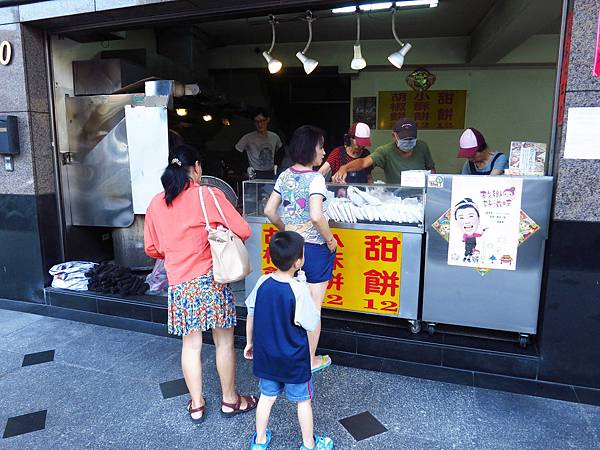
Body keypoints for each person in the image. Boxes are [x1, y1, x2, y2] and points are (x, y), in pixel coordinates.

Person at [144, 144, 257, 424]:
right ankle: (230, 400)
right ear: (196, 167)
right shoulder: (208, 194)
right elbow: (243, 230)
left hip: (180, 284)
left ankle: (196, 404)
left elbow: (153, 248)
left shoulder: (156, 203)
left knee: (191, 346)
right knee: (223, 342)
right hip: (211, 280)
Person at [244, 231, 334, 450]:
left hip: (267, 356)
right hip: (294, 358)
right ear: (299, 262)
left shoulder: (263, 282)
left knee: (266, 397)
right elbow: (310, 322)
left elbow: (251, 314)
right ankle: (309, 444)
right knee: (303, 401)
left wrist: (249, 342)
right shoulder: (299, 290)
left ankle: (260, 440)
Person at [263, 125, 336, 374]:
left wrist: (288, 230)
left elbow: (269, 211)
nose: (324, 152)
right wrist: (329, 240)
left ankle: (288, 352)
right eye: (320, 147)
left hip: (292, 247)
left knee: (292, 303)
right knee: (313, 306)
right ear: (310, 149)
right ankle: (310, 359)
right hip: (314, 250)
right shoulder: (316, 179)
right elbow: (317, 216)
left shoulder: (284, 176)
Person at [332, 118, 435, 184]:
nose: (408, 142)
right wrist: (345, 168)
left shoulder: (422, 147)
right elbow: (363, 162)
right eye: (404, 139)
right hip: (397, 198)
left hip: (422, 195)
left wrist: (434, 189)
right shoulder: (385, 151)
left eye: (411, 139)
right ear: (394, 137)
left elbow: (431, 169)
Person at [236, 107, 283, 180]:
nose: (260, 124)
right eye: (256, 121)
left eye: (262, 121)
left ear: (268, 120)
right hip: (255, 173)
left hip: (271, 172)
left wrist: (277, 165)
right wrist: (245, 168)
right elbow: (236, 153)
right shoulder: (247, 138)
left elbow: (281, 152)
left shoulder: (274, 137)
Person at [454, 198, 486, 263]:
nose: (467, 222)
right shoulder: (465, 235)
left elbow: (480, 235)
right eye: (461, 217)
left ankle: (469, 258)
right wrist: (463, 240)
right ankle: (465, 257)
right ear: (456, 221)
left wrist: (483, 230)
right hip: (468, 244)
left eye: (471, 216)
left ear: (478, 218)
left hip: (473, 245)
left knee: (471, 252)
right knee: (467, 251)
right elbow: (464, 238)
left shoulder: (474, 234)